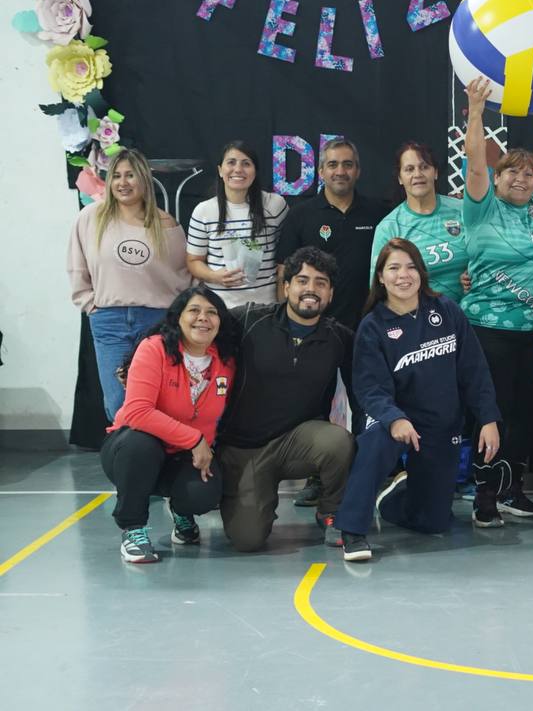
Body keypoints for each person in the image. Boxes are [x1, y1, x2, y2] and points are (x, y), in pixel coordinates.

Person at [335, 239, 501, 560]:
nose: (403, 275)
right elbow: (370, 388)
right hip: (392, 417)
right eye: (394, 268)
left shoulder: (446, 310)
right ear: (380, 277)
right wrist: (394, 418)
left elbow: (474, 369)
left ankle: (394, 498)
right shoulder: (373, 326)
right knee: (375, 442)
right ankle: (353, 530)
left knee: (435, 522)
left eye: (411, 267)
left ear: (421, 273)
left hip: (440, 421)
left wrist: (488, 418)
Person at [459, 76, 533, 525]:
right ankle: (485, 494)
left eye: (527, 173)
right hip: (489, 329)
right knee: (492, 414)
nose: (522, 178)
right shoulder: (482, 205)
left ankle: (512, 488)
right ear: (497, 178)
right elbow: (476, 164)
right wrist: (478, 111)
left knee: (526, 415)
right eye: (512, 172)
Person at [216, 247, 354, 551]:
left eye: (321, 283)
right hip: (243, 448)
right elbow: (192, 330)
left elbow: (365, 388)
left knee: (338, 442)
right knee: (247, 539)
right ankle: (251, 497)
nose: (311, 289)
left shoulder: (339, 338)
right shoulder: (249, 318)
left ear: (330, 293)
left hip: (296, 441)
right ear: (286, 286)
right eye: (302, 280)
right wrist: (134, 359)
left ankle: (330, 511)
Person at [100, 285, 239, 563]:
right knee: (141, 445)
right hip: (132, 449)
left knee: (204, 494)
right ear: (177, 317)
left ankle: (182, 511)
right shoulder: (154, 349)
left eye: (212, 312)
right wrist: (196, 440)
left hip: (184, 456)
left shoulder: (226, 362)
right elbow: (138, 412)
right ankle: (133, 528)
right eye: (194, 311)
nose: (203, 318)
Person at [68, 149, 191, 422]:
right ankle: (128, 461)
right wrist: (90, 305)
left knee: (159, 401)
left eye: (130, 175)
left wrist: (176, 315)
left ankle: (160, 461)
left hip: (156, 321)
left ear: (144, 180)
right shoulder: (90, 218)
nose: (123, 183)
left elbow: (183, 275)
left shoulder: (165, 224)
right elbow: (77, 266)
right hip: (109, 321)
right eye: (117, 176)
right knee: (118, 405)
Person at [275, 137, 388, 335]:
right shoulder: (300, 215)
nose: (340, 172)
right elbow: (283, 274)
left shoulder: (378, 213)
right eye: (332, 164)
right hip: (314, 327)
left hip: (369, 326)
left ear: (358, 171)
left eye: (348, 165)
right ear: (321, 172)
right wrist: (287, 328)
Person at [186, 142, 288, 308]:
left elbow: (285, 251)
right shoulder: (204, 211)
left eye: (246, 163)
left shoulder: (275, 205)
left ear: (255, 171)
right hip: (219, 309)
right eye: (231, 162)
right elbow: (193, 261)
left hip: (265, 308)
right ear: (220, 170)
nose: (238, 169)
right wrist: (214, 276)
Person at [371, 143, 469, 304]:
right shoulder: (389, 227)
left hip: (470, 318)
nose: (418, 174)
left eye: (424, 167)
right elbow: (378, 287)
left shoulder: (462, 210)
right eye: (409, 169)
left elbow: (487, 256)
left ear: (436, 172)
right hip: (419, 322)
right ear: (400, 178)